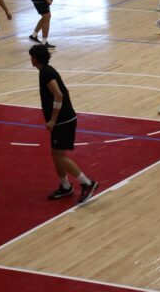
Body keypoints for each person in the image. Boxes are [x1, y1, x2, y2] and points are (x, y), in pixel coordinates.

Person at [29, 44, 99, 204]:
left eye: (32, 57)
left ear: (36, 58)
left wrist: (53, 120)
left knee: (60, 157)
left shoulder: (46, 73)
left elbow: (58, 95)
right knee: (56, 155)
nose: (30, 59)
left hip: (63, 121)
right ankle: (65, 186)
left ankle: (87, 183)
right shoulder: (46, 71)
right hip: (63, 120)